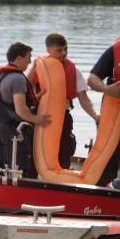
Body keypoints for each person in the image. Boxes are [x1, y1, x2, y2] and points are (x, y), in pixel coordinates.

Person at [27, 32, 98, 170]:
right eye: (59, 50)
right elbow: (24, 88)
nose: (63, 53)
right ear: (48, 50)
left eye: (66, 49)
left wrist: (95, 116)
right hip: (39, 117)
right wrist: (35, 68)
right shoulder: (39, 65)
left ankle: (62, 178)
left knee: (65, 150)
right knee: (33, 153)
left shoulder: (72, 68)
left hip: (63, 117)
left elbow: (83, 97)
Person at [0, 42, 49, 178]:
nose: (29, 62)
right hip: (14, 129)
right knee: (18, 167)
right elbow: (20, 110)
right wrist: (37, 119)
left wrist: (36, 97)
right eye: (28, 58)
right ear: (19, 59)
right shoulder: (18, 79)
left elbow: (6, 101)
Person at [87, 15, 120, 187]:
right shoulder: (115, 51)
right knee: (106, 165)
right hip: (115, 121)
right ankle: (100, 201)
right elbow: (92, 79)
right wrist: (107, 89)